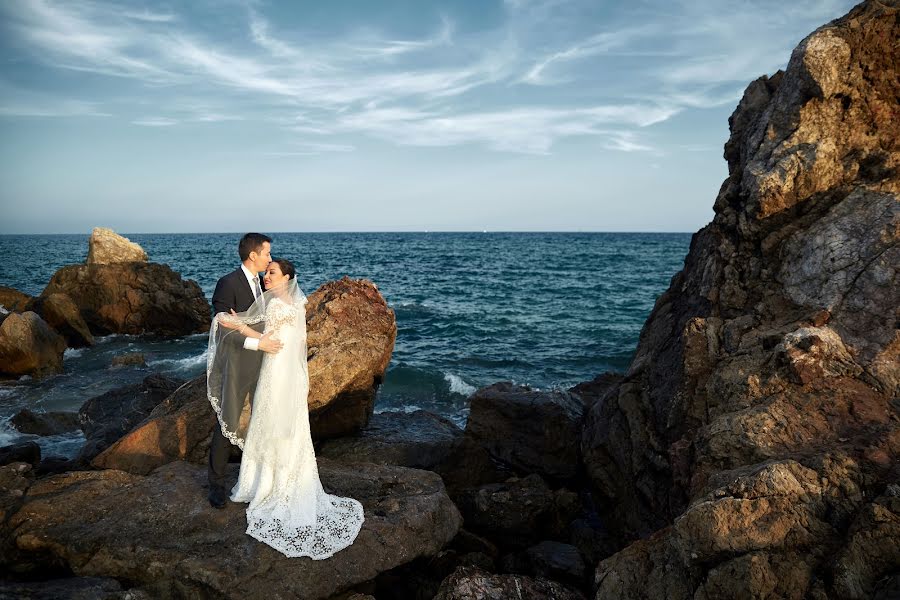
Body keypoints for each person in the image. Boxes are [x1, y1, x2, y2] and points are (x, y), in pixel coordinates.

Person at [207, 258, 365, 559]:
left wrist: (237, 323)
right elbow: (265, 331)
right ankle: (269, 480)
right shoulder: (292, 304)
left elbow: (273, 340)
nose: (267, 276)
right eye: (267, 272)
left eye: (272, 273)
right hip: (280, 374)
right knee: (269, 424)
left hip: (277, 374)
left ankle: (269, 485)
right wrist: (242, 323)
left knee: (271, 425)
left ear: (287, 278)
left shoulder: (279, 306)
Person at [207, 233, 282, 509]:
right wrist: (255, 340)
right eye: (267, 254)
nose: (270, 259)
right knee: (227, 421)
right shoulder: (228, 283)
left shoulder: (266, 285)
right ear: (253, 255)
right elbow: (223, 326)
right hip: (237, 364)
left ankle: (258, 480)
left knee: (261, 420)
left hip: (264, 365)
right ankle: (215, 485)